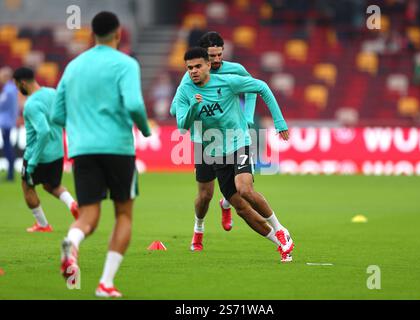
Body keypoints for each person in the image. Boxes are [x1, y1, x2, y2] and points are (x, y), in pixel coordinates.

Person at [51, 11, 151, 298]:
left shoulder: (73, 67)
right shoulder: (126, 63)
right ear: (119, 33)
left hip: (82, 150)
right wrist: (144, 129)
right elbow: (133, 102)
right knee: (124, 214)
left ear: (92, 34)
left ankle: (72, 241)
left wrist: (82, 125)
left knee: (88, 216)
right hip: (117, 147)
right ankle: (105, 283)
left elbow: (57, 115)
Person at [174, 47, 294, 262]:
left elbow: (261, 87)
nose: (193, 71)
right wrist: (193, 106)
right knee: (238, 207)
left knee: (244, 188)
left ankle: (279, 228)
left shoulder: (229, 81)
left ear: (208, 65)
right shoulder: (185, 90)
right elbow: (182, 125)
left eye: (198, 66)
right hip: (212, 150)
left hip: (238, 141)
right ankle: (281, 243)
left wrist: (279, 122)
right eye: (189, 68)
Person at [170, 31, 258, 251]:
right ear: (204, 59)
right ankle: (198, 229)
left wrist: (248, 117)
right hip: (204, 139)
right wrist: (192, 106)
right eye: (212, 56)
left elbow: (253, 90)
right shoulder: (192, 75)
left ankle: (227, 202)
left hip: (231, 136)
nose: (217, 60)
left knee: (241, 184)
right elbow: (174, 109)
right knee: (205, 195)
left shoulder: (235, 70)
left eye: (220, 54)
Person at [12, 67, 79, 232]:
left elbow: (43, 131)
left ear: (22, 83)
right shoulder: (52, 93)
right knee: (51, 185)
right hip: (57, 152)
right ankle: (72, 203)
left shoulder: (31, 105)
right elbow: (65, 117)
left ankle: (43, 224)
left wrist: (33, 161)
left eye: (16, 85)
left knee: (27, 186)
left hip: (38, 154)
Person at [0, 67, 18, 182]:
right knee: (7, 146)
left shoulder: (8, 90)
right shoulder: (12, 89)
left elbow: (2, 105)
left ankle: (10, 174)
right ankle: (10, 173)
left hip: (6, 122)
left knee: (7, 147)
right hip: (9, 121)